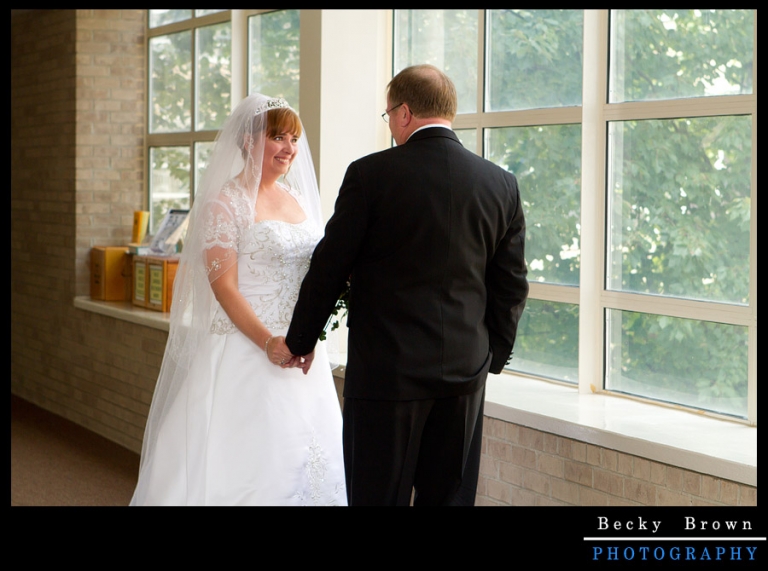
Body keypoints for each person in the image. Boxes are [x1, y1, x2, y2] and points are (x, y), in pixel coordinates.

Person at [284, 64, 528, 506]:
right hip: (465, 373)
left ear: (403, 113)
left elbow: (330, 266)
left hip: (386, 373)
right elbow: (510, 285)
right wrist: (491, 356)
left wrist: (301, 339)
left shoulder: (370, 175)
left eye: (388, 115)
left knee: (377, 498)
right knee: (449, 499)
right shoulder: (500, 184)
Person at [130, 94, 347, 506]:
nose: (289, 148)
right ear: (249, 141)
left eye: (294, 139)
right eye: (278, 137)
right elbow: (224, 288)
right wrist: (268, 342)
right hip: (246, 347)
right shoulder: (224, 203)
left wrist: (307, 335)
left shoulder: (299, 199)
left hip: (301, 350)